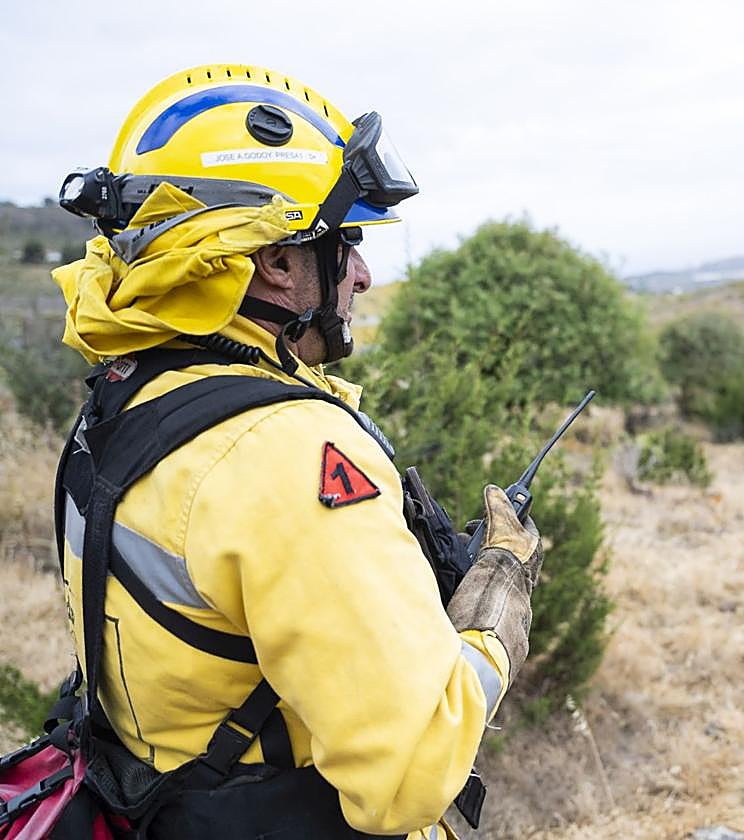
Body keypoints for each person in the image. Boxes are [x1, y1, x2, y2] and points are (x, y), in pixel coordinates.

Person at [49, 64, 541, 839]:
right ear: (277, 261)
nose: (366, 275)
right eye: (346, 244)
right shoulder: (286, 451)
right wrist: (493, 620)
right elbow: (408, 774)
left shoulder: (133, 394)